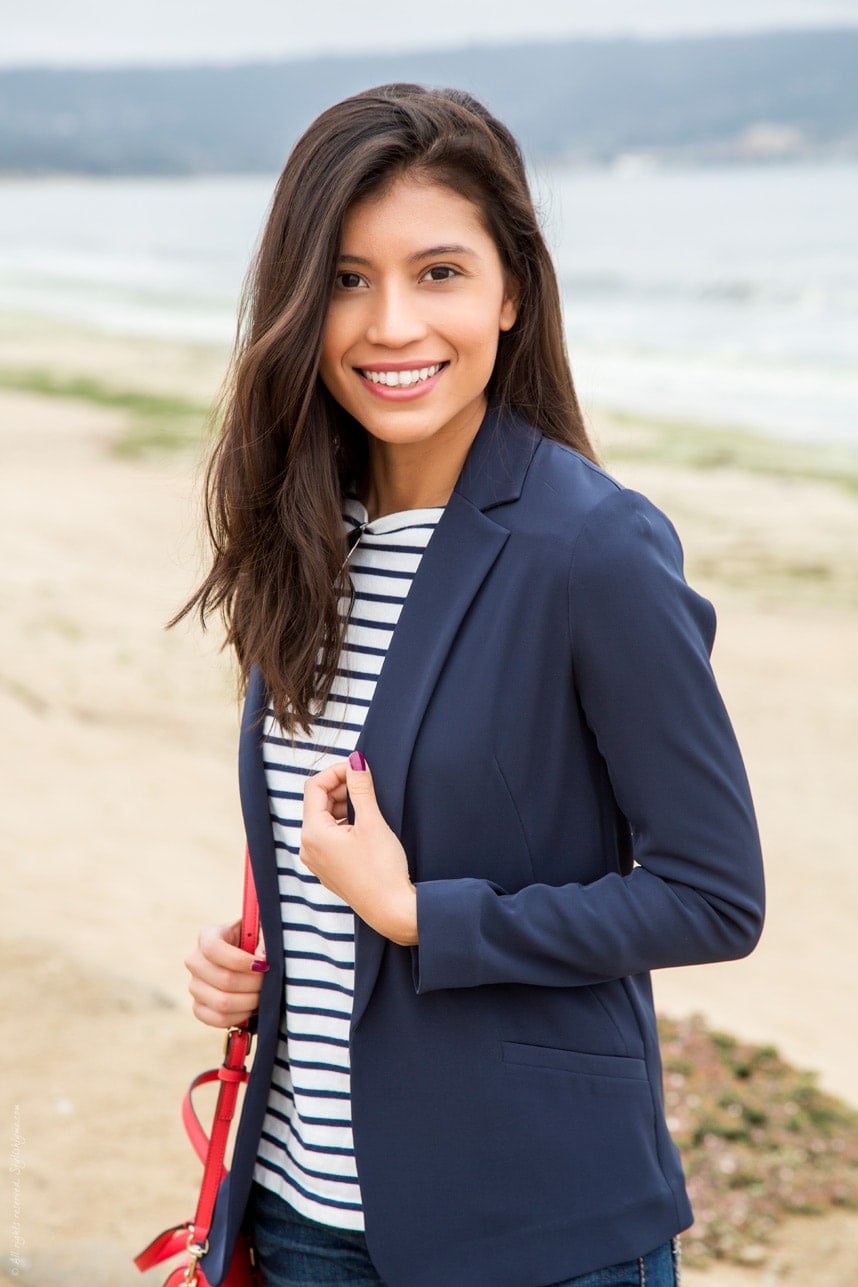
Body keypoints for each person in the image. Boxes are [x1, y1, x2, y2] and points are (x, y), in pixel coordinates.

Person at [180, 83, 764, 1287]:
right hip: (297, 1213)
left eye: (438, 272)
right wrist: (264, 961)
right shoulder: (303, 543)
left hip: (528, 1230)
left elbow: (715, 898)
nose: (391, 323)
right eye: (346, 278)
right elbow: (343, 840)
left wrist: (418, 917)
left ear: (512, 295)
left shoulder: (593, 549)